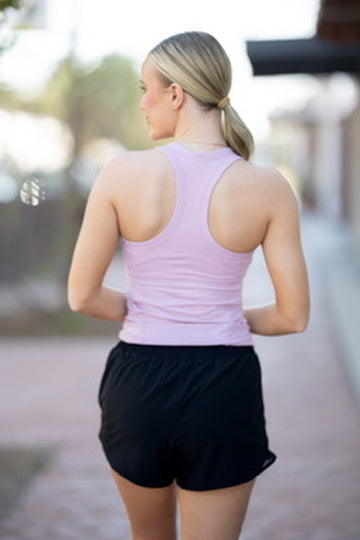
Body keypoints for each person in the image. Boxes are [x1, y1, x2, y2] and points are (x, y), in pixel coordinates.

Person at [67, 31, 310, 540]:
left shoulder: (120, 173)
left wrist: (156, 312)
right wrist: (217, 318)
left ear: (176, 93)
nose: (142, 103)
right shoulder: (268, 187)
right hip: (224, 386)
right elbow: (293, 317)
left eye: (146, 88)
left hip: (138, 384)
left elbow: (82, 296)